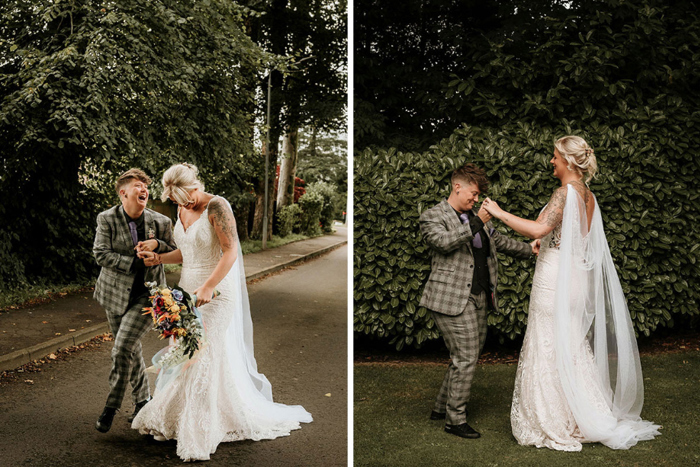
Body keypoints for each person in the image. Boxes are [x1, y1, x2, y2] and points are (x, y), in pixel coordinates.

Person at [482, 136, 661, 451]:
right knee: (571, 346)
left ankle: (551, 418)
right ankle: (580, 412)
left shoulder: (564, 193)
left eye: (554, 157)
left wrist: (497, 212)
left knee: (546, 342)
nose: (551, 162)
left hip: (555, 278)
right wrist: (543, 238)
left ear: (567, 160)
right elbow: (554, 230)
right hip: (576, 277)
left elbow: (538, 229)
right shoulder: (588, 196)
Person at [132, 163, 312, 462]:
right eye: (178, 202)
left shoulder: (217, 206)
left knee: (202, 355)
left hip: (216, 292)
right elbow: (188, 252)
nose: (184, 205)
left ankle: (198, 430)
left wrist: (209, 285)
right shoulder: (181, 207)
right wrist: (158, 258)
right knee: (183, 356)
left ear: (195, 185)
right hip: (187, 291)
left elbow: (230, 251)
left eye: (186, 199)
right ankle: (179, 416)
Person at [419, 163, 538, 439]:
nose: (476, 199)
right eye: (473, 193)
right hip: (450, 299)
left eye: (478, 195)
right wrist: (477, 221)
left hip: (480, 297)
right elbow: (444, 242)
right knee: (466, 357)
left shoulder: (475, 216)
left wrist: (530, 250)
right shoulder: (433, 216)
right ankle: (454, 420)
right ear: (456, 186)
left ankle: (440, 407)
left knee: (464, 356)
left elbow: (499, 242)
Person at [92, 168, 177, 433]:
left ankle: (111, 406)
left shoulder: (160, 221)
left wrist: (157, 248)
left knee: (121, 347)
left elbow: (174, 249)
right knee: (130, 348)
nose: (144, 190)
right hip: (114, 295)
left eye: (146, 186)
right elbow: (101, 254)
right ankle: (143, 401)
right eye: (138, 185)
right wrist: (132, 261)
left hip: (148, 297)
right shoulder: (106, 219)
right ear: (124, 192)